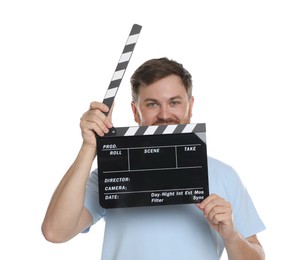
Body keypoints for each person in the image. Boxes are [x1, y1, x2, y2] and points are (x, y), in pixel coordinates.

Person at [42, 57, 265, 259]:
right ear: (135, 111)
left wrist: (232, 236)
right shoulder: (112, 173)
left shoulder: (224, 175)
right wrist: (89, 146)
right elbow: (55, 231)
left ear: (190, 106)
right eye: (152, 104)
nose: (165, 114)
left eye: (174, 102)